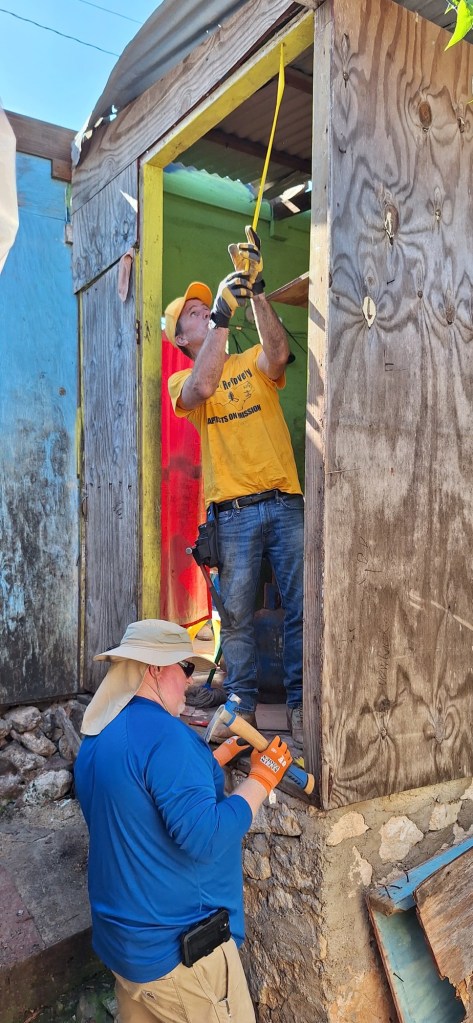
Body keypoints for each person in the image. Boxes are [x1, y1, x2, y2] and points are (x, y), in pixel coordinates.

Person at [74, 618, 292, 1023]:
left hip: (125, 949)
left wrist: (209, 761)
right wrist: (263, 779)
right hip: (181, 960)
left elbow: (138, 801)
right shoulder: (167, 737)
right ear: (155, 669)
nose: (190, 680)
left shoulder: (100, 731)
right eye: (185, 667)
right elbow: (207, 836)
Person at [166, 228, 304, 746]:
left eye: (207, 306)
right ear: (182, 338)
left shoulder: (249, 364)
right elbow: (203, 386)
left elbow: (278, 354)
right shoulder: (182, 382)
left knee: (300, 608)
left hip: (285, 501)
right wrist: (223, 316)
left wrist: (257, 289)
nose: (204, 310)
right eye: (193, 313)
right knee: (238, 617)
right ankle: (242, 705)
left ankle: (300, 704)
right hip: (234, 511)